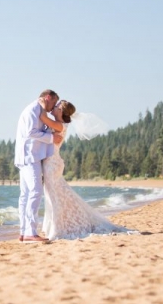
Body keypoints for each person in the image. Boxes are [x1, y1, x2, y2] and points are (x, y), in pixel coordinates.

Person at [38, 100, 134, 240]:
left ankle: (58, 228)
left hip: (52, 164)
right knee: (56, 196)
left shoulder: (59, 125)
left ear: (61, 111)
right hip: (52, 163)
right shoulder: (60, 124)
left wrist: (40, 103)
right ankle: (56, 226)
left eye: (56, 105)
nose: (54, 106)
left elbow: (42, 117)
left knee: (55, 197)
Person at [14, 90, 63, 243]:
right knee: (35, 191)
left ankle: (24, 231)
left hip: (29, 155)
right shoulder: (34, 109)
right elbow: (30, 132)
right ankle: (30, 232)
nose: (53, 106)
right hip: (29, 156)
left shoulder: (38, 110)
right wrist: (51, 138)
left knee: (26, 194)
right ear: (48, 98)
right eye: (54, 103)